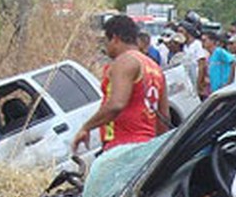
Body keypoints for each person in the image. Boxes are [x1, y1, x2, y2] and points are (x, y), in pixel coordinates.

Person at [72, 14, 168, 153]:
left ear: (115, 38)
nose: (105, 47)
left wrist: (86, 127)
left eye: (106, 41)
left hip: (122, 147)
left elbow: (116, 104)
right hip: (147, 147)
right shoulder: (155, 68)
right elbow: (164, 117)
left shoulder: (125, 61)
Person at [177, 20, 209, 98]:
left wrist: (198, 84)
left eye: (182, 31)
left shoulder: (197, 44)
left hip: (196, 78)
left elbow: (202, 65)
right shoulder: (184, 47)